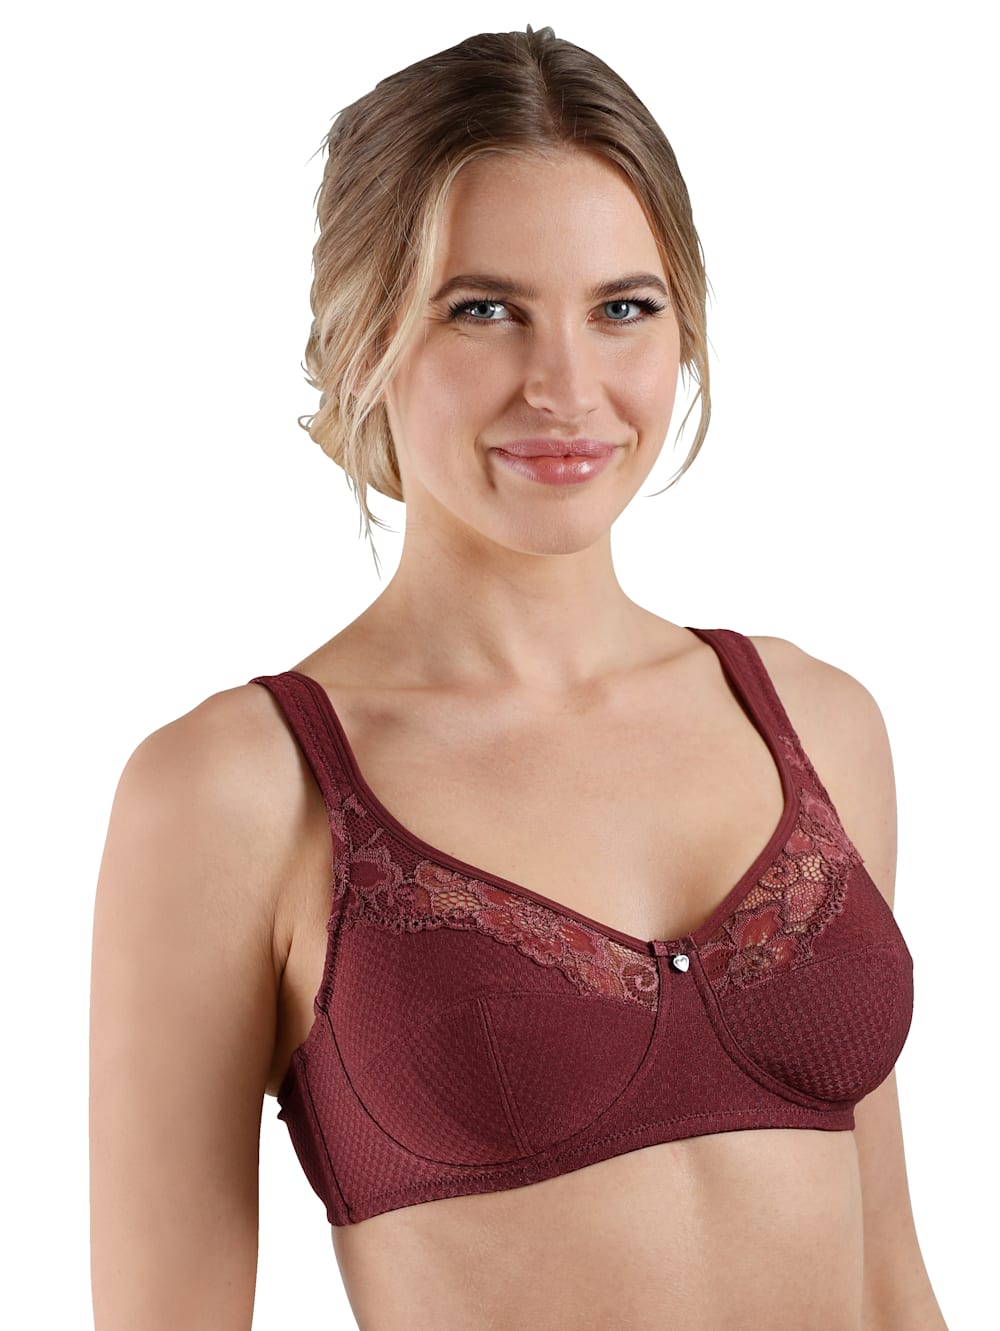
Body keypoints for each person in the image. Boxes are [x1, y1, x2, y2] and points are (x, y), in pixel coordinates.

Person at [88, 26, 948, 1331]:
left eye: (624, 308)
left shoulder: (818, 721)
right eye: (483, 309)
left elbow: (889, 1277)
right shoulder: (237, 789)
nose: (567, 388)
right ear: (365, 333)